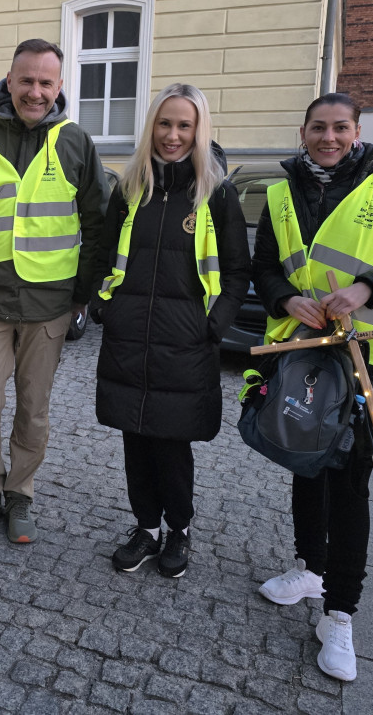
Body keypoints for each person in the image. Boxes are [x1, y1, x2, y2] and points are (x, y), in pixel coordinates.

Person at [252, 92, 373, 681]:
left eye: (340, 128)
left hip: (368, 359)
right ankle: (310, 568)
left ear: (357, 131)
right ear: (303, 131)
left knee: (350, 485)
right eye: (318, 128)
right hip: (304, 353)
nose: (328, 138)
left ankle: (340, 613)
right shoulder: (281, 192)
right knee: (305, 463)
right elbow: (265, 268)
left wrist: (366, 289)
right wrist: (288, 300)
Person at [0, 39, 107, 543]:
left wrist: (81, 294)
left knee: (33, 409)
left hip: (49, 304)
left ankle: (20, 494)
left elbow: (97, 224)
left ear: (59, 87)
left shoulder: (76, 141)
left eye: (45, 82)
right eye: (26, 80)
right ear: (9, 80)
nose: (35, 92)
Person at [92, 83, 250, 579]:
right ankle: (146, 528)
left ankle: (178, 529)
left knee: (171, 444)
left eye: (185, 125)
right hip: (129, 339)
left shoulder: (216, 192)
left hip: (186, 343)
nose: (173, 135)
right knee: (135, 440)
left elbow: (237, 271)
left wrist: (213, 326)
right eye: (165, 123)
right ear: (151, 127)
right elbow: (103, 254)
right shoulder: (130, 189)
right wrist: (103, 307)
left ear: (199, 130)